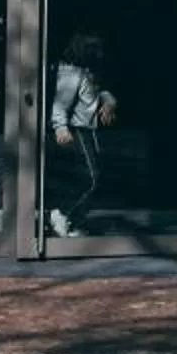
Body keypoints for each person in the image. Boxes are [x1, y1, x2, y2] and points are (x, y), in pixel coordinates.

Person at [43, 30, 119, 238]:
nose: (100, 53)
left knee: (93, 177)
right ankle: (61, 214)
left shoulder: (86, 72)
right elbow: (60, 104)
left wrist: (109, 100)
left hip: (88, 129)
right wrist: (60, 128)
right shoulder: (70, 74)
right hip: (77, 130)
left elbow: (97, 91)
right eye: (95, 49)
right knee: (90, 178)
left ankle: (72, 220)